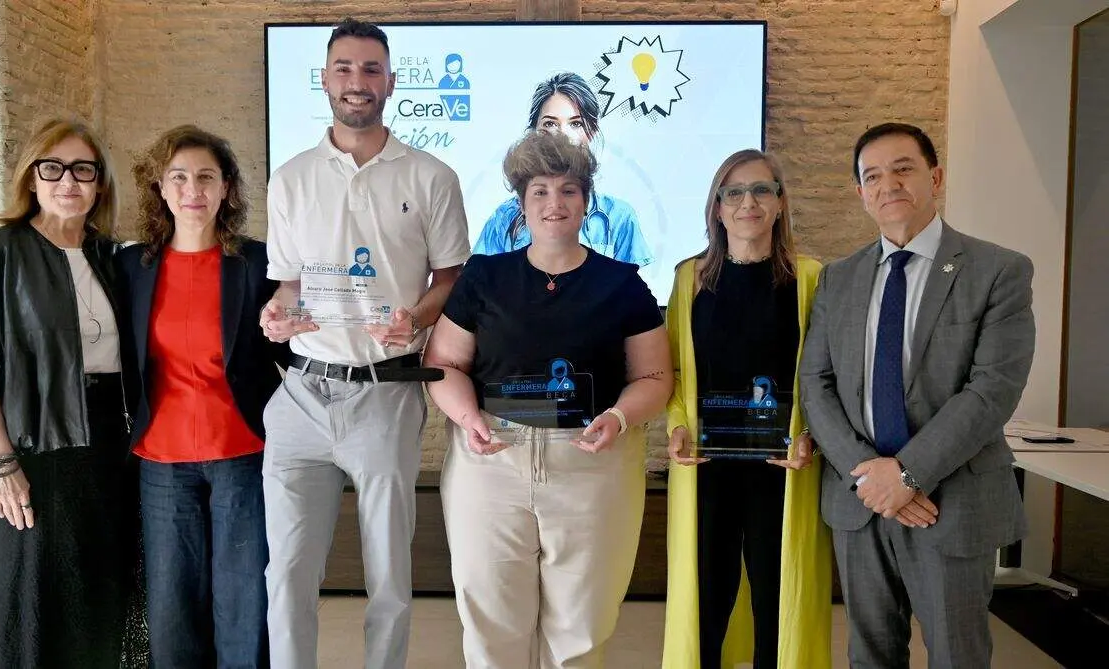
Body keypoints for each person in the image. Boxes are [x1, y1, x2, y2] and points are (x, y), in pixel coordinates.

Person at [259, 17, 471, 669]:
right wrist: (277, 315)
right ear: (324, 80)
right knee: (288, 571)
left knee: (388, 573)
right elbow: (290, 287)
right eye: (345, 68)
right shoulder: (290, 178)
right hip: (299, 393)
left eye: (371, 69)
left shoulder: (432, 176)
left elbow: (452, 277)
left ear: (391, 82)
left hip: (385, 393)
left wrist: (419, 317)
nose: (358, 81)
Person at [423, 130, 672, 669]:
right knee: (490, 619)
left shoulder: (623, 284)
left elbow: (654, 376)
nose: (553, 204)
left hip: (593, 464)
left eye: (567, 191)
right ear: (521, 203)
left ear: (586, 201)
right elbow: (444, 364)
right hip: (490, 461)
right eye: (539, 191)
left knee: (581, 625)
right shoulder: (484, 276)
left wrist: (620, 416)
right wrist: (468, 417)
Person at [800, 122, 1035, 668]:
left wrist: (905, 475)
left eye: (903, 169)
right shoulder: (840, 278)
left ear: (935, 176)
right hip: (862, 502)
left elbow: (992, 390)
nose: (889, 185)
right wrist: (870, 474)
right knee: (870, 655)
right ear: (860, 194)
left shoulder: (998, 271)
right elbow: (816, 384)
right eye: (872, 176)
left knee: (957, 655)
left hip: (951, 502)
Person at [0, 118, 145, 667]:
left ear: (99, 184)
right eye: (53, 167)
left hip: (109, 452)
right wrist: (2, 462)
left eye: (82, 170)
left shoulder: (114, 258)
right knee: (32, 600)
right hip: (32, 451)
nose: (67, 181)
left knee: (102, 595)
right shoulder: (2, 253)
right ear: (32, 178)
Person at [117, 125, 286, 668]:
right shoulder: (131, 267)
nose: (193, 189)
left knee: (243, 599)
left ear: (227, 189)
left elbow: (290, 332)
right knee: (172, 606)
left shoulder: (258, 263)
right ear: (161, 190)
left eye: (206, 177)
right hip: (161, 460)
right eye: (180, 177)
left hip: (242, 453)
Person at [661, 149, 833, 669]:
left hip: (781, 467)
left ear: (781, 203)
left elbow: (826, 376)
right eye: (733, 192)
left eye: (762, 189)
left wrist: (812, 437)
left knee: (774, 594)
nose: (748, 202)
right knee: (706, 594)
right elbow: (673, 372)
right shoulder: (689, 278)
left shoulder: (811, 279)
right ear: (716, 208)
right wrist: (676, 428)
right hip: (707, 466)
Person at [472, 72, 653, 267]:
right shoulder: (504, 218)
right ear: (533, 132)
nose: (562, 135)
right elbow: (480, 286)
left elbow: (628, 291)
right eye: (550, 123)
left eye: (575, 124)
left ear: (591, 132)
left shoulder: (619, 217)